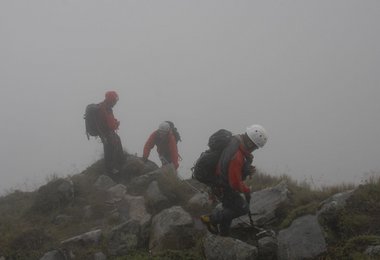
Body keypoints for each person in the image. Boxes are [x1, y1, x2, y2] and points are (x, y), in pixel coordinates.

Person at [201, 124, 268, 236]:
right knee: (243, 208)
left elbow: (230, 167)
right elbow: (235, 183)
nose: (254, 150)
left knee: (230, 208)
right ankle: (211, 218)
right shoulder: (237, 155)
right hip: (224, 186)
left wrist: (246, 169)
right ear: (250, 143)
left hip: (220, 182)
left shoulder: (235, 141)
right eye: (255, 147)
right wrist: (246, 190)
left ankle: (224, 234)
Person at [97, 91, 124, 174]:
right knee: (110, 148)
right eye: (115, 101)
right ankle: (112, 169)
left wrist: (114, 122)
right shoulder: (106, 108)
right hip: (107, 132)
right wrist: (116, 124)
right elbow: (111, 125)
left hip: (103, 132)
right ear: (111, 100)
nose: (115, 103)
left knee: (109, 148)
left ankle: (112, 167)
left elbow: (109, 119)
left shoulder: (103, 106)